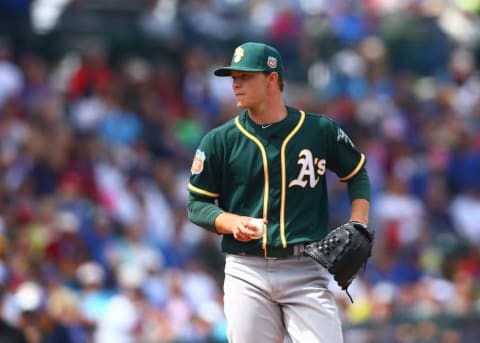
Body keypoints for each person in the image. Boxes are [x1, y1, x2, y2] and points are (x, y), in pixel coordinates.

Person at [187, 42, 371, 342]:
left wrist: (358, 221)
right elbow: (197, 204)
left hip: (305, 270)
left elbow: (357, 174)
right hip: (246, 270)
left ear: (272, 79)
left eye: (245, 76)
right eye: (233, 77)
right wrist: (231, 222)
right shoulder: (219, 140)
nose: (235, 83)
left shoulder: (318, 130)